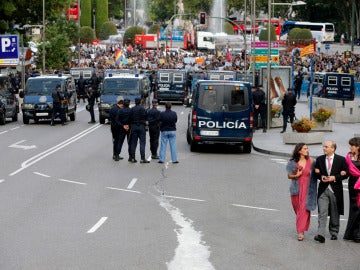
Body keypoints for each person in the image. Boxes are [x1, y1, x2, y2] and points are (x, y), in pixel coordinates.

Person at [313, 141, 348, 243]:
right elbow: (316, 173)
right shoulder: (319, 159)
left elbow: (346, 174)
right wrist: (321, 176)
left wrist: (335, 177)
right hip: (323, 189)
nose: (324, 148)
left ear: (333, 149)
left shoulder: (341, 160)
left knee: (334, 212)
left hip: (335, 190)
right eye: (324, 147)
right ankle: (320, 234)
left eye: (326, 147)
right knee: (322, 211)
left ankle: (334, 232)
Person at [286, 143, 317, 241]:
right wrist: (296, 175)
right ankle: (302, 225)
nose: (307, 150)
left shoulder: (311, 161)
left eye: (307, 148)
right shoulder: (292, 162)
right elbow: (289, 176)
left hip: (307, 189)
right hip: (296, 188)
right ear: (299, 150)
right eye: (305, 148)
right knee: (298, 209)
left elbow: (317, 171)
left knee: (303, 209)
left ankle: (300, 232)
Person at [343, 137, 360, 243]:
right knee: (354, 209)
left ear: (358, 146)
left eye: (352, 145)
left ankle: (358, 234)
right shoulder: (348, 157)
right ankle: (352, 234)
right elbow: (346, 171)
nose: (350, 147)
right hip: (353, 185)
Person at [128, 97, 149, 164]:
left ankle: (133, 158)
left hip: (134, 126)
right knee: (142, 143)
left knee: (133, 143)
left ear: (135, 102)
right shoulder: (143, 109)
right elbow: (146, 117)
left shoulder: (132, 109)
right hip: (142, 126)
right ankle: (142, 158)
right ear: (140, 102)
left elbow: (129, 118)